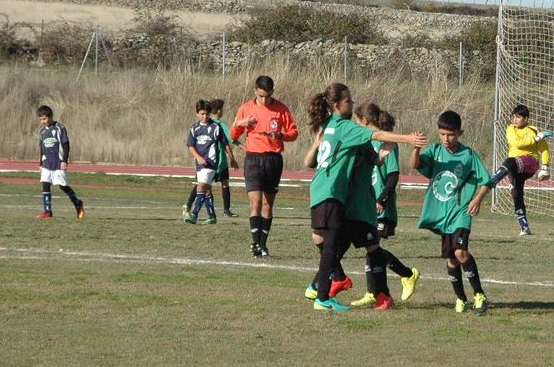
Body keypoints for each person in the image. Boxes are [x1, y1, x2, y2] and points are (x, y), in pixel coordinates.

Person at [305, 83, 426, 311]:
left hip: (349, 201)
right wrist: (408, 138)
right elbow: (376, 136)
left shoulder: (331, 127)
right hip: (338, 196)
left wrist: (387, 151)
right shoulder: (347, 129)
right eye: (349, 100)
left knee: (359, 245)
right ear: (336, 104)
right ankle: (328, 288)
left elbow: (378, 161)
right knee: (335, 243)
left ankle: (379, 293)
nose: (352, 104)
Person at [410, 110, 493, 315]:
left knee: (460, 252)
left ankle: (480, 295)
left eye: (451, 135)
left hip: (461, 212)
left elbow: (486, 180)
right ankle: (460, 298)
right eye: (442, 134)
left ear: (460, 133)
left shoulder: (468, 155)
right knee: (451, 259)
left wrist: (477, 199)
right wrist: (416, 149)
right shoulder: (435, 151)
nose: (446, 139)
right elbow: (416, 165)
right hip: (442, 214)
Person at [349, 102, 420, 308]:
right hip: (366, 204)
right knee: (370, 248)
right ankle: (373, 292)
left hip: (381, 206)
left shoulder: (388, 143)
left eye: (356, 120)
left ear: (364, 120)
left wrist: (382, 199)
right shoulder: (364, 141)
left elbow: (392, 176)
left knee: (374, 248)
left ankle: (407, 274)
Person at [231, 76, 298, 258]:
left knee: (268, 205)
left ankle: (262, 245)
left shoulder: (281, 109)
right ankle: (254, 244)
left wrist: (281, 135)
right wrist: (240, 124)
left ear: (272, 93)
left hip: (273, 159)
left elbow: (294, 132)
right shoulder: (245, 108)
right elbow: (233, 134)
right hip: (253, 159)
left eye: (267, 97)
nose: (264, 100)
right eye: (261, 96)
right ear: (255, 91)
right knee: (256, 203)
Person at [490, 104, 552, 236]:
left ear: (526, 118)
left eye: (518, 117)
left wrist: (545, 167)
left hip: (530, 162)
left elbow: (544, 150)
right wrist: (536, 138)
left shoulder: (534, 130)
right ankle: (524, 226)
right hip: (514, 167)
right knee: (516, 193)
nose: (514, 119)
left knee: (510, 161)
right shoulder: (510, 129)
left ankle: (492, 181)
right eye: (513, 117)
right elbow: (517, 143)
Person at [182, 99, 239, 220]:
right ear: (197, 113)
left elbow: (225, 144)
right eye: (202, 114)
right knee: (207, 189)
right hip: (199, 163)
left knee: (201, 186)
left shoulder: (216, 127)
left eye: (207, 114)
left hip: (211, 162)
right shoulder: (194, 128)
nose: (205, 116)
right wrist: (198, 157)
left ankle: (194, 214)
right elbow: (190, 145)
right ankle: (212, 216)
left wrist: (232, 158)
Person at [35, 105, 85, 219]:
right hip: (47, 163)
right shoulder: (42, 131)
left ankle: (78, 203)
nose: (43, 121)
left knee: (62, 186)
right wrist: (40, 164)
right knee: (45, 184)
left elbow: (66, 145)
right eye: (41, 119)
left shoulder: (59, 128)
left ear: (50, 117)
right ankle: (47, 211)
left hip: (58, 162)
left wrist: (64, 160)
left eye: (44, 119)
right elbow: (41, 148)